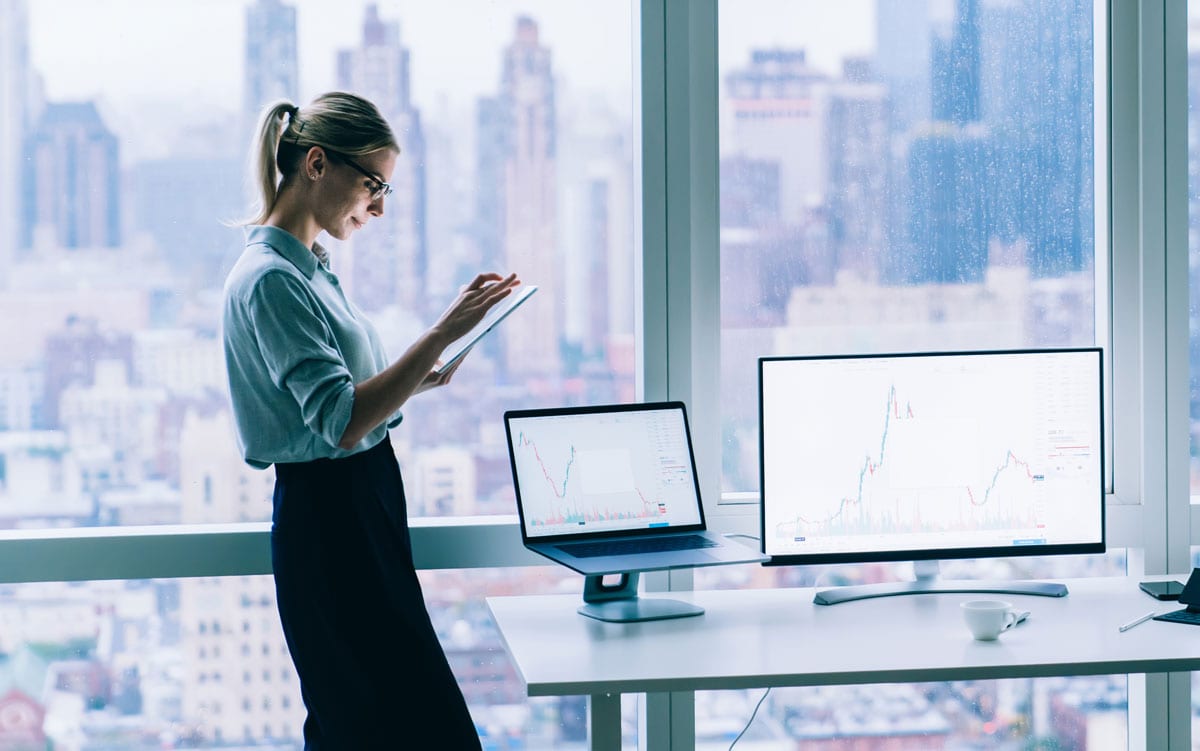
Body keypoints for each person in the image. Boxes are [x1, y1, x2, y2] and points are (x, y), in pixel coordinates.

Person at [222, 91, 519, 749]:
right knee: (391, 722)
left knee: (374, 722)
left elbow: (347, 401)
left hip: (361, 508)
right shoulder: (272, 279)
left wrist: (425, 368)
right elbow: (340, 420)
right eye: (372, 184)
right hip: (333, 523)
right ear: (318, 165)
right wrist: (441, 333)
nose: (379, 207)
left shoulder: (311, 269)